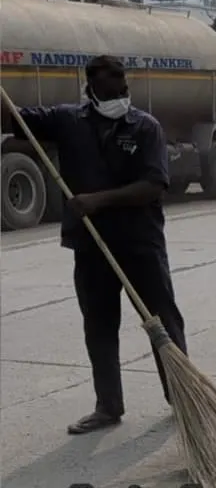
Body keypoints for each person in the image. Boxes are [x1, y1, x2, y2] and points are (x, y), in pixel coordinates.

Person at [0, 55, 187, 434]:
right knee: (99, 325)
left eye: (122, 87)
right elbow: (13, 119)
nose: (118, 94)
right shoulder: (70, 120)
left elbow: (154, 185)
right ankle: (108, 405)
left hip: (139, 242)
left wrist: (97, 200)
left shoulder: (145, 127)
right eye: (109, 88)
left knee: (163, 319)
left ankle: (183, 396)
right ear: (91, 88)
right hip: (91, 245)